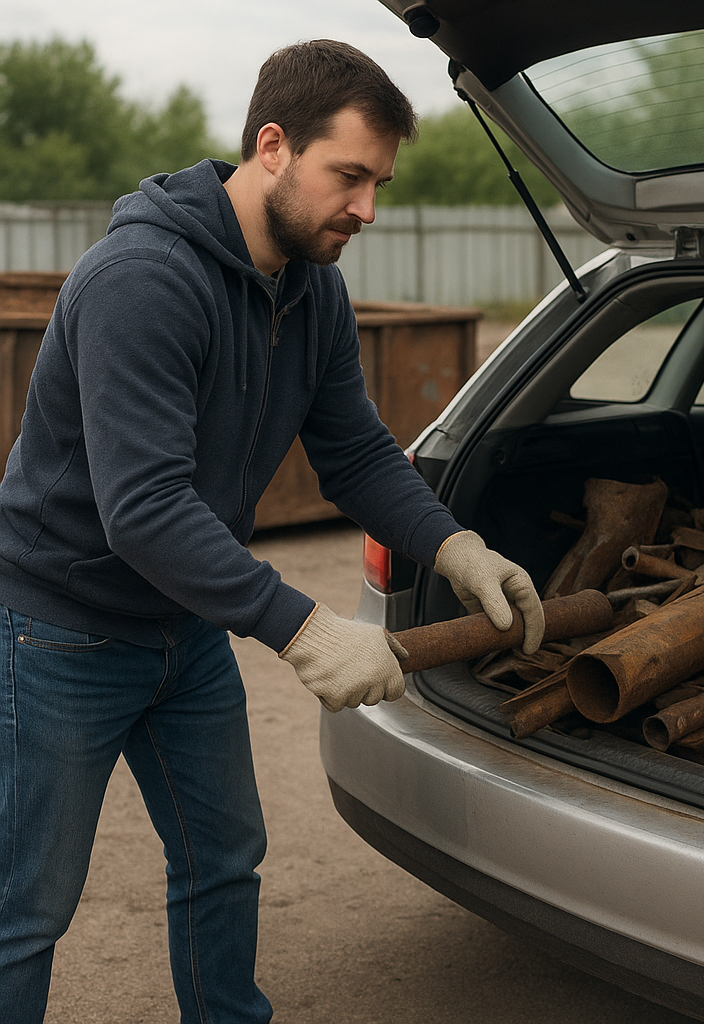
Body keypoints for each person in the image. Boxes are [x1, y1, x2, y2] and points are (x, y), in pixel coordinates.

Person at [0, 39, 544, 1024]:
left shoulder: (310, 286)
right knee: (24, 908)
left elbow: (357, 452)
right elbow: (144, 510)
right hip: (61, 632)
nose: (367, 209)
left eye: (378, 184)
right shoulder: (142, 279)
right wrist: (304, 627)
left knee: (223, 859)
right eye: (349, 176)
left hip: (185, 627)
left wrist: (453, 546)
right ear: (273, 147)